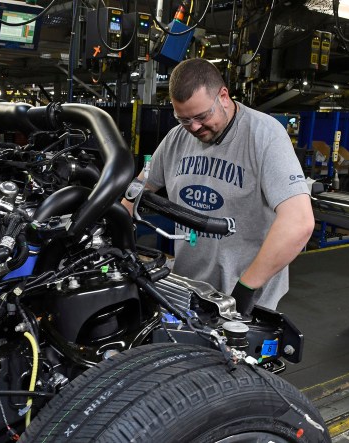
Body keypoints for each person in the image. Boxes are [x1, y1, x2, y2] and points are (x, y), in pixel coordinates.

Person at [123, 58, 315, 317]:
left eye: (202, 117)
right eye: (184, 119)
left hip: (244, 297)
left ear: (223, 96)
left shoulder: (265, 135)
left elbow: (299, 222)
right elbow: (137, 190)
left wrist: (246, 289)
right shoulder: (176, 138)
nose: (194, 128)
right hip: (189, 291)